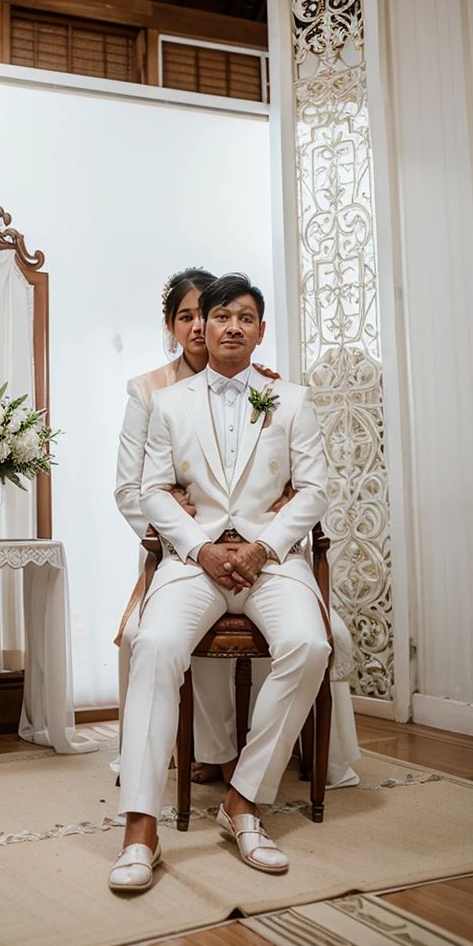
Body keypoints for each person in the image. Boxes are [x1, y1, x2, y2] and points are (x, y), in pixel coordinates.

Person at [109, 274, 334, 892]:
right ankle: (140, 829)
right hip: (194, 563)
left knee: (310, 646)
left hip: (271, 563)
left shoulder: (292, 400)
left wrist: (264, 547)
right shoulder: (167, 403)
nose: (232, 327)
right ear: (200, 329)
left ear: (261, 332)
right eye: (220, 317)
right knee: (153, 645)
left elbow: (315, 488)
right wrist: (200, 548)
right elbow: (150, 488)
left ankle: (243, 800)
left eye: (246, 317)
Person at [113, 269, 290, 782]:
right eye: (185, 316)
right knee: (147, 635)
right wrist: (184, 537)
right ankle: (204, 750)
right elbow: (131, 491)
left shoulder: (266, 388)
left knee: (303, 627)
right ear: (171, 325)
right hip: (174, 547)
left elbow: (284, 475)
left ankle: (261, 750)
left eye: (203, 314)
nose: (197, 326)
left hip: (254, 551)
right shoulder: (150, 392)